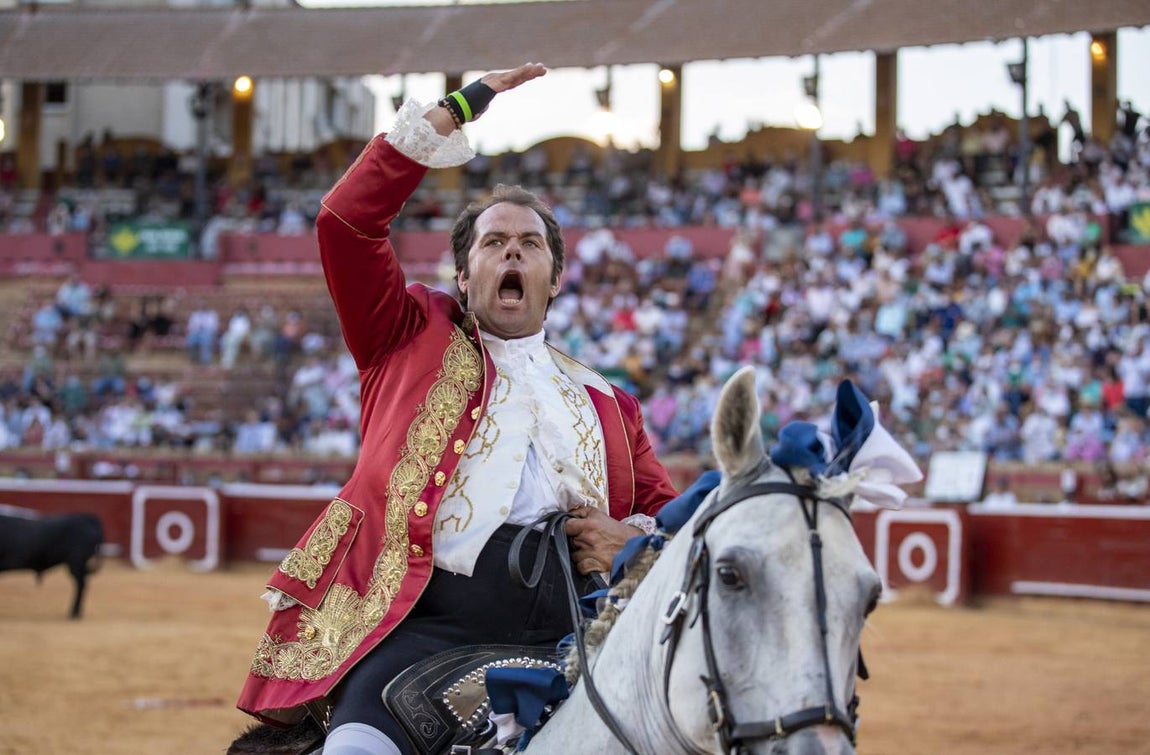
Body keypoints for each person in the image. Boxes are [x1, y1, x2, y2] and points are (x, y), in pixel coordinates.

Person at [235, 63, 678, 754]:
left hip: (577, 630)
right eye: (492, 243)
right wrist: (456, 109)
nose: (511, 252)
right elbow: (346, 222)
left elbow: (675, 524)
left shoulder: (610, 404)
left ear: (554, 278)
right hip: (421, 622)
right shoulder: (405, 333)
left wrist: (638, 544)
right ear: (463, 274)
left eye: (529, 244)